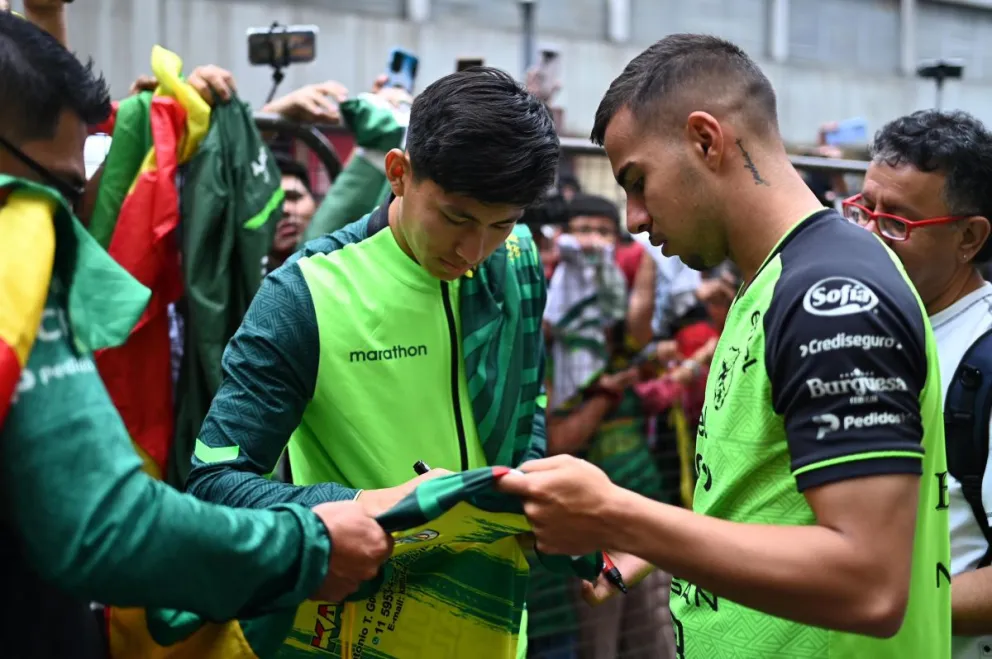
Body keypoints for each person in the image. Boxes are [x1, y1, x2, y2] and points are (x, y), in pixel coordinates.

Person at [498, 33, 950, 659]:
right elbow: (771, 501)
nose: (633, 218)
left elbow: (869, 583)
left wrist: (618, 515)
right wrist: (653, 546)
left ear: (706, 140)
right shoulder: (770, 283)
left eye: (637, 181)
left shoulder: (830, 293)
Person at [0, 11, 392, 659]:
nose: (71, 216)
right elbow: (105, 521)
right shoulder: (18, 242)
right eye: (65, 188)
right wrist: (306, 545)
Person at [185, 67, 559, 658]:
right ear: (398, 173)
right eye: (456, 217)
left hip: (495, 630)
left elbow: (527, 403)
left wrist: (542, 497)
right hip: (348, 633)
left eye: (500, 223)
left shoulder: (517, 257)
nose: (473, 251)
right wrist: (369, 504)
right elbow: (213, 485)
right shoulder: (304, 293)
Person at [845, 109, 992, 659]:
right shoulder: (868, 325)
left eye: (897, 223)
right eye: (863, 210)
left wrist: (869, 602)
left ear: (969, 237)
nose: (866, 236)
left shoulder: (983, 356)